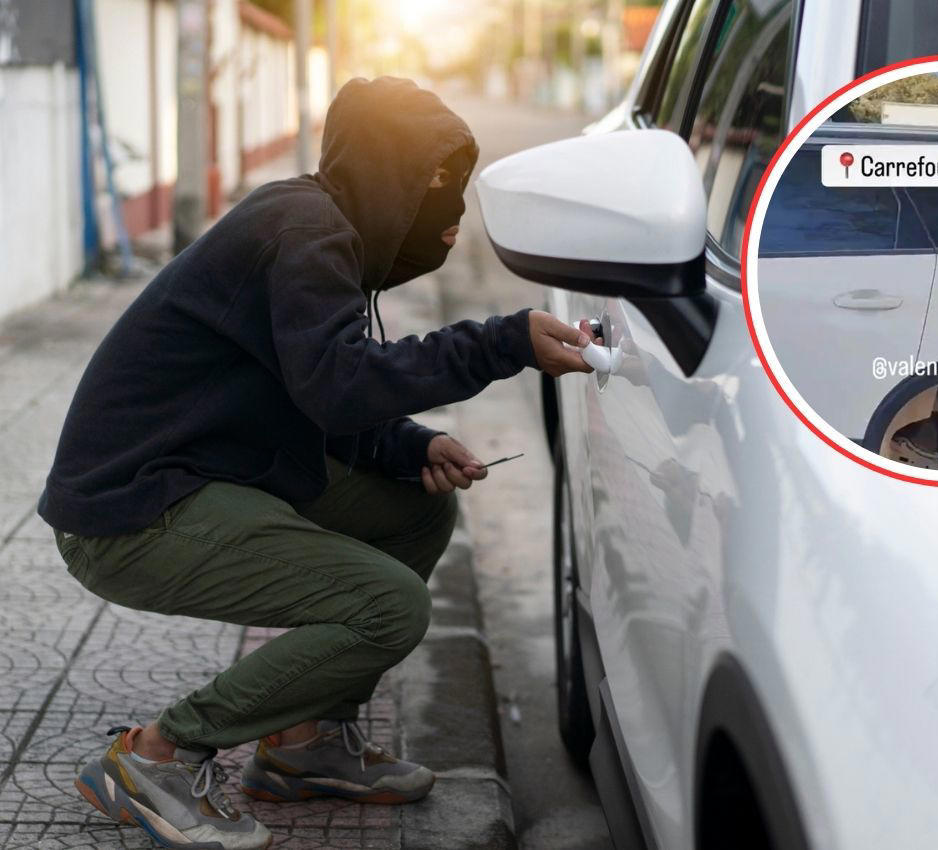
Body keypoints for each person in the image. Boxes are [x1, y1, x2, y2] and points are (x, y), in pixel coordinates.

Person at [38, 77, 593, 850]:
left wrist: (407, 444)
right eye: (430, 180)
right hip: (132, 509)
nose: (446, 210)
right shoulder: (305, 229)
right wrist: (499, 344)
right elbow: (339, 384)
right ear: (385, 174)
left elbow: (313, 388)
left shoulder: (317, 225)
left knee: (418, 508)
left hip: (205, 471)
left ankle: (306, 743)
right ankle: (158, 755)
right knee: (390, 607)